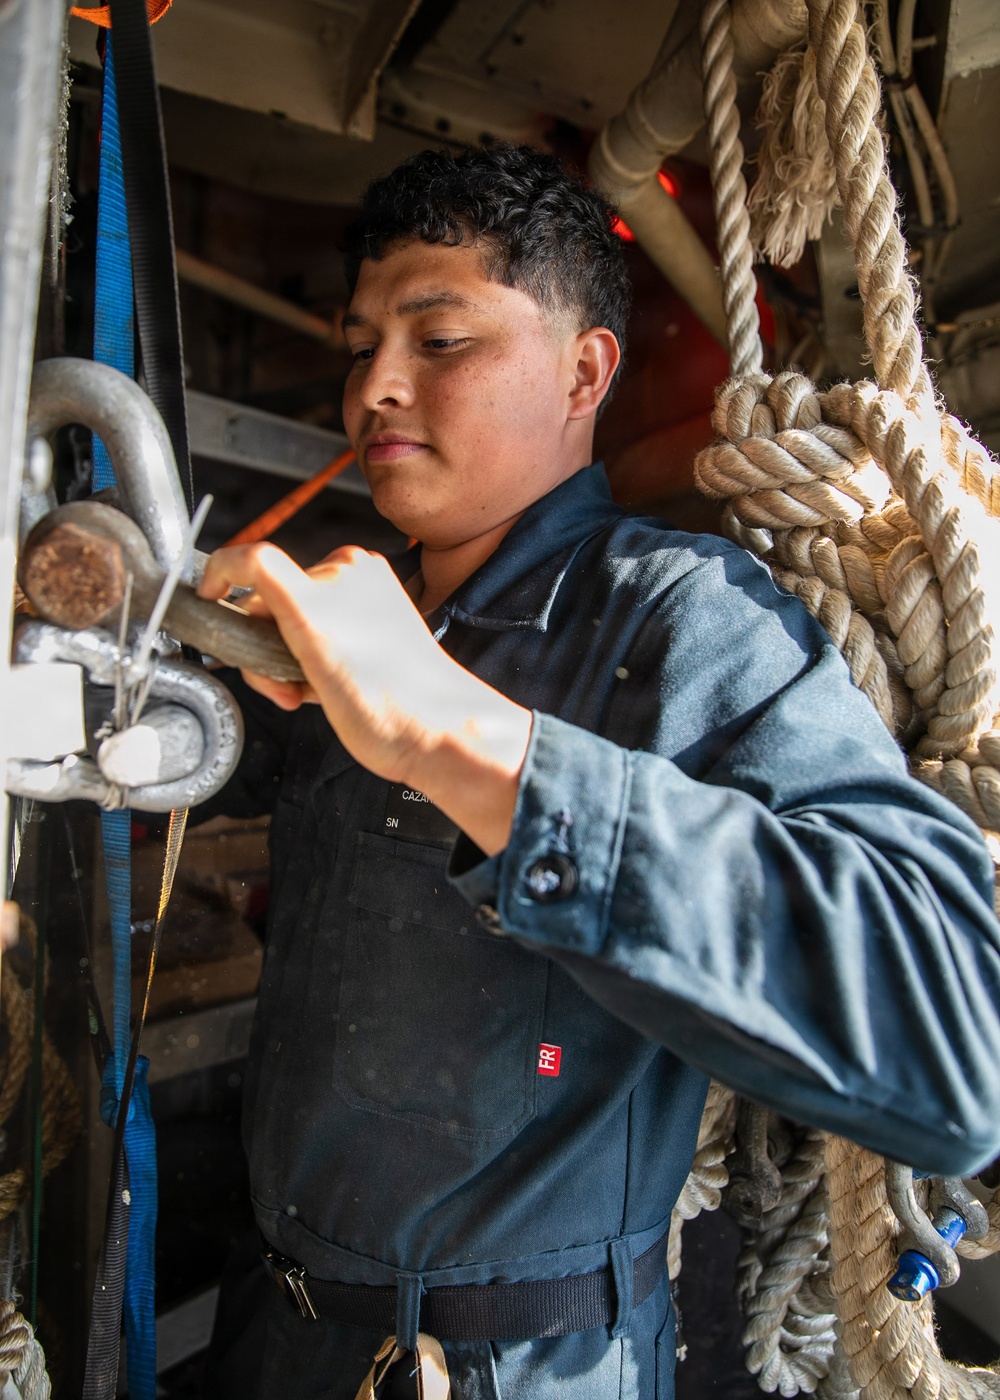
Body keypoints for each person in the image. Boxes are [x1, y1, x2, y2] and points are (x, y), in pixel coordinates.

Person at [198, 144, 1000, 1399]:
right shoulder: (365, 621)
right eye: (362, 346)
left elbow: (954, 1043)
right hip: (276, 1336)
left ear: (583, 371)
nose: (374, 389)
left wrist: (455, 735)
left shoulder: (683, 620)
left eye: (441, 338)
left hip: (521, 1369)